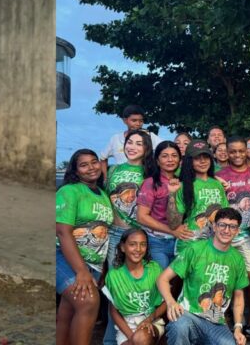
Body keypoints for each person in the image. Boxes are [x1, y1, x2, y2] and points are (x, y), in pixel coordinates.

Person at [157, 208, 249, 345]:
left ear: (237, 231)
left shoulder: (238, 259)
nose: (226, 230)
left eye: (232, 227)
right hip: (188, 315)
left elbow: (239, 297)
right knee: (179, 327)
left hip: (216, 323)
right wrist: (171, 302)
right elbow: (162, 279)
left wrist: (238, 328)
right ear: (214, 226)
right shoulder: (195, 249)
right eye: (222, 225)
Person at [56, 149, 113, 345]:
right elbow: (63, 232)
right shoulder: (69, 191)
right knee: (88, 302)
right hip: (65, 257)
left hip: (93, 264)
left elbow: (104, 232)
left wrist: (102, 267)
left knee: (69, 311)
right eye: (84, 165)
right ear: (75, 170)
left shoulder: (103, 194)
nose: (91, 167)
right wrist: (81, 271)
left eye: (94, 162)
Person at [103, 130, 155, 345]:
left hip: (141, 234)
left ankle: (143, 335)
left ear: (146, 148)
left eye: (139, 143)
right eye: (129, 142)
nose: (132, 147)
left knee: (142, 285)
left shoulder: (151, 171)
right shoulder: (114, 169)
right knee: (116, 289)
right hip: (115, 234)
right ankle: (110, 340)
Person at [217, 136, 250, 340]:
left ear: (247, 151)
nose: (237, 155)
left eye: (241, 151)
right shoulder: (220, 175)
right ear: (227, 152)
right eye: (232, 151)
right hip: (225, 235)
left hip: (247, 236)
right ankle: (226, 317)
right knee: (224, 278)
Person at [103, 229, 167, 345]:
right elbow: (114, 311)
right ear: (123, 247)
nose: (138, 249)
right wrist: (131, 338)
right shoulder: (114, 275)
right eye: (132, 244)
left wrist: (149, 319)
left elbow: (166, 302)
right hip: (126, 326)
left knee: (141, 338)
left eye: (143, 244)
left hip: (151, 320)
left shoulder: (154, 269)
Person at [137, 141, 192, 269]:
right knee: (160, 277)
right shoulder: (150, 183)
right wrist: (172, 231)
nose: (170, 160)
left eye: (174, 155)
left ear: (180, 160)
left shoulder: (184, 182)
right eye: (165, 156)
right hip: (157, 242)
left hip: (181, 241)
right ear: (157, 161)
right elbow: (141, 217)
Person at [169, 139, 228, 254]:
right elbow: (173, 224)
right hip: (189, 244)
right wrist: (172, 194)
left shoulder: (217, 184)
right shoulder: (182, 185)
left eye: (206, 157)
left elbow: (225, 213)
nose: (202, 161)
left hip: (214, 244)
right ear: (189, 161)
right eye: (197, 158)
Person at [100, 105, 163, 178]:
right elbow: (103, 158)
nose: (138, 124)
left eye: (141, 121)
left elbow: (166, 148)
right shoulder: (115, 139)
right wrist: (105, 178)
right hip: (120, 180)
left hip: (144, 179)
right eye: (134, 120)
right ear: (125, 120)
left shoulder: (150, 136)